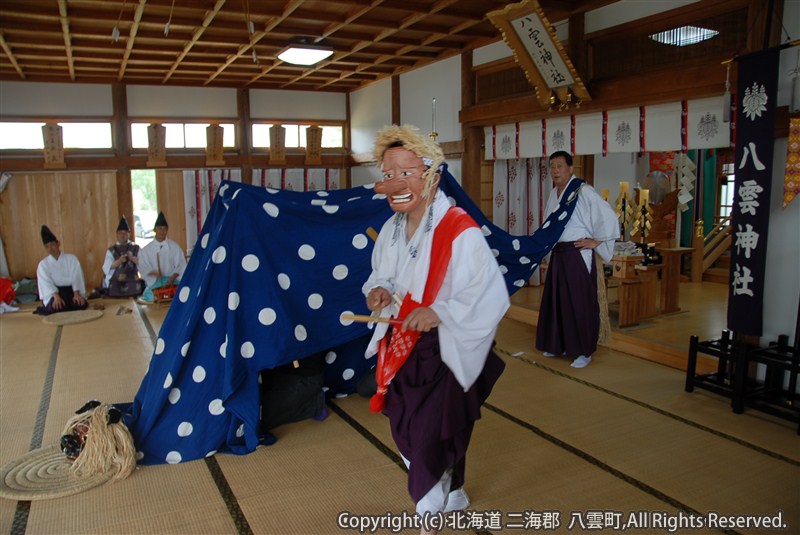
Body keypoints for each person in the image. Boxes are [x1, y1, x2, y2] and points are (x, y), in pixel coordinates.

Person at [362, 125, 509, 532]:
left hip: (447, 346)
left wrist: (439, 310)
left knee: (429, 432)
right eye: (388, 174)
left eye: (405, 172)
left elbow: (488, 291)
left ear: (432, 175)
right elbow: (383, 274)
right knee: (404, 423)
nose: (395, 182)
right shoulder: (392, 229)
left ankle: (429, 510)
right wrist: (378, 290)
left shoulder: (458, 228)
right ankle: (455, 489)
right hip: (401, 343)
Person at [536, 151, 619, 368]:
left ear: (571, 168)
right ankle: (558, 344)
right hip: (559, 253)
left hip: (577, 253)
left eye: (560, 166)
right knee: (558, 302)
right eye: (552, 166)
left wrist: (597, 241)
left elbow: (607, 216)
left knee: (579, 303)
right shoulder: (554, 194)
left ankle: (584, 350)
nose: (555, 170)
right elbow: (549, 224)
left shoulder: (583, 191)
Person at [34, 225, 88, 315]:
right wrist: (56, 296)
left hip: (71, 291)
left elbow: (76, 277)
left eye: (52, 245)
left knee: (79, 304)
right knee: (57, 307)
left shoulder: (72, 259)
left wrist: (76, 293)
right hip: (54, 293)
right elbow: (46, 283)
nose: (50, 249)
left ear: (58, 243)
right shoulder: (43, 264)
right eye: (47, 246)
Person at [138, 211, 187, 303]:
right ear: (154, 230)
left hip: (172, 281)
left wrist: (173, 277)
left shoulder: (174, 247)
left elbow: (181, 265)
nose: (162, 231)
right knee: (151, 296)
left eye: (164, 228)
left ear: (167, 230)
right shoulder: (146, 250)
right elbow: (142, 266)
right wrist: (153, 273)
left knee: (181, 294)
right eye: (159, 228)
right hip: (155, 283)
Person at [102, 216, 143, 297]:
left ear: (129, 234)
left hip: (132, 278)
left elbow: (143, 262)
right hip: (116, 279)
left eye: (125, 233)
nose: (123, 235)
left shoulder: (135, 248)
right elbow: (107, 267)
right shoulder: (111, 250)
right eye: (120, 233)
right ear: (117, 234)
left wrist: (132, 258)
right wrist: (119, 261)